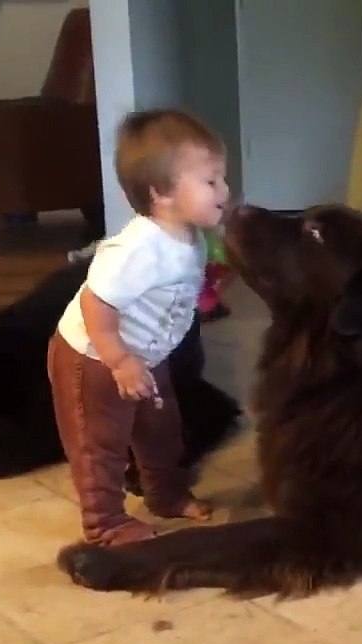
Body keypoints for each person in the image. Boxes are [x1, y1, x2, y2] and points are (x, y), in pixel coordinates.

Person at [48, 108, 230, 546]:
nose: (224, 190)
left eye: (222, 178)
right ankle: (104, 523)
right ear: (161, 194)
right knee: (100, 443)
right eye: (210, 181)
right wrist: (120, 360)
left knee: (161, 427)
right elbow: (97, 304)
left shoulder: (189, 234)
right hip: (94, 358)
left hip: (146, 355)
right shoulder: (137, 249)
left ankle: (164, 494)